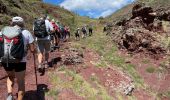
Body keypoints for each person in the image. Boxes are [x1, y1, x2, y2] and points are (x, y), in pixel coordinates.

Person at [0, 16, 35, 100]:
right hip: (20, 61)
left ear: (11, 23)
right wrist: (33, 52)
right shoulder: (26, 32)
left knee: (10, 76)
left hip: (5, 59)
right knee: (21, 82)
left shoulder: (2, 31)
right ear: (22, 23)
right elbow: (32, 49)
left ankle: (9, 95)